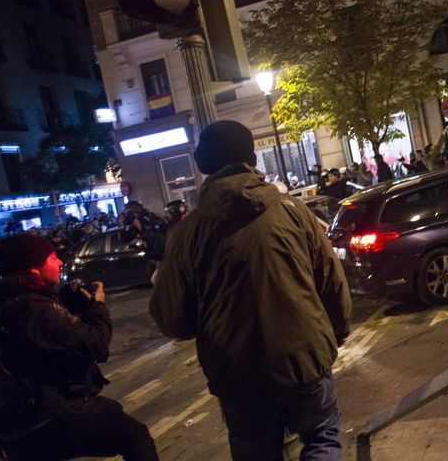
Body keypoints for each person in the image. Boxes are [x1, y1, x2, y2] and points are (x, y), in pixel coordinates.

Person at [150, 121, 352, 461]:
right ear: (251, 158)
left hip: (238, 375)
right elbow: (331, 281)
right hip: (303, 359)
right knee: (321, 437)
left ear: (204, 163)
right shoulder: (292, 212)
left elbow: (173, 320)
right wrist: (337, 332)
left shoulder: (188, 234)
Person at [0, 233, 158, 461]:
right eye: (50, 258)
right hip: (49, 412)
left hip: (16, 419)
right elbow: (97, 344)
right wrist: (98, 306)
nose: (58, 261)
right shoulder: (37, 309)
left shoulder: (3, 301)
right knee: (135, 435)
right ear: (32, 270)